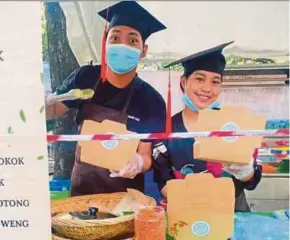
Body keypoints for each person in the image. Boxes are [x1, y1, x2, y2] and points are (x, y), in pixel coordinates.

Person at [46, 1, 167, 196]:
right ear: (105, 42)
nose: (122, 46)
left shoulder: (151, 101)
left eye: (132, 40)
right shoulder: (85, 78)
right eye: (115, 37)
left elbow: (146, 156)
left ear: (143, 51)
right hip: (81, 195)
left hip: (126, 200)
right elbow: (51, 111)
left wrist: (137, 162)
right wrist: (38, 102)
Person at [152, 42, 262, 212]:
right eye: (199, 79)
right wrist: (198, 202)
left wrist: (245, 171)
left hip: (234, 212)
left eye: (215, 81)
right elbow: (163, 183)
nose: (207, 88)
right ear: (184, 82)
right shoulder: (166, 131)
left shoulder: (234, 124)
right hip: (188, 211)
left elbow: (252, 182)